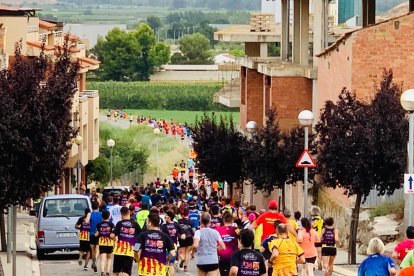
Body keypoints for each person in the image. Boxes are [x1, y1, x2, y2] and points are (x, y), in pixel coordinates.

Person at [111, 206, 141, 276]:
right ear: (129, 213)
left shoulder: (119, 223)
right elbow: (140, 239)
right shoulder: (135, 224)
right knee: (126, 272)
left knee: (116, 271)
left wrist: (114, 239)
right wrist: (136, 250)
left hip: (119, 251)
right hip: (129, 251)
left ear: (121, 214)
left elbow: (112, 235)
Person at [161, 210, 186, 275]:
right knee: (171, 263)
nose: (164, 217)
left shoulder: (163, 226)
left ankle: (166, 274)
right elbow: (183, 235)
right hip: (173, 245)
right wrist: (181, 237)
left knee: (165, 262)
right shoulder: (176, 224)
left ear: (169, 217)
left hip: (165, 246)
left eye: (165, 216)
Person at [95, 210, 114, 276]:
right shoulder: (111, 225)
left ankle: (102, 272)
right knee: (109, 258)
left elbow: (96, 234)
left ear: (102, 217)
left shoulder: (99, 225)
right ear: (109, 216)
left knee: (102, 259)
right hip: (109, 243)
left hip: (102, 243)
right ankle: (107, 272)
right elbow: (113, 235)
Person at [177, 206, 195, 272]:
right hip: (189, 238)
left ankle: (182, 259)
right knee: (187, 253)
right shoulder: (191, 222)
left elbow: (177, 230)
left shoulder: (178, 221)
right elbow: (194, 231)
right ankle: (185, 267)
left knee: (182, 252)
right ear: (188, 213)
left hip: (181, 238)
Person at [89, 201, 102, 273]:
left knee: (92, 250)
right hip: (99, 234)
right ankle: (96, 260)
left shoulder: (90, 214)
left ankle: (94, 261)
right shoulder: (101, 214)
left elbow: (87, 222)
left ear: (92, 207)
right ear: (98, 206)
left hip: (91, 234)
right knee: (98, 250)